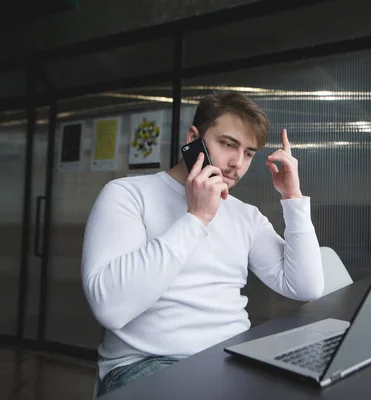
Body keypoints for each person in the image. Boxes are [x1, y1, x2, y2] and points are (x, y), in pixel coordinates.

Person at [81, 91, 324, 395]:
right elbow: (110, 309)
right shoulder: (127, 195)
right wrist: (196, 218)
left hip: (233, 357)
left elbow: (306, 286)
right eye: (227, 144)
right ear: (193, 137)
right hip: (147, 362)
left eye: (249, 153)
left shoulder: (245, 216)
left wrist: (293, 197)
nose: (237, 164)